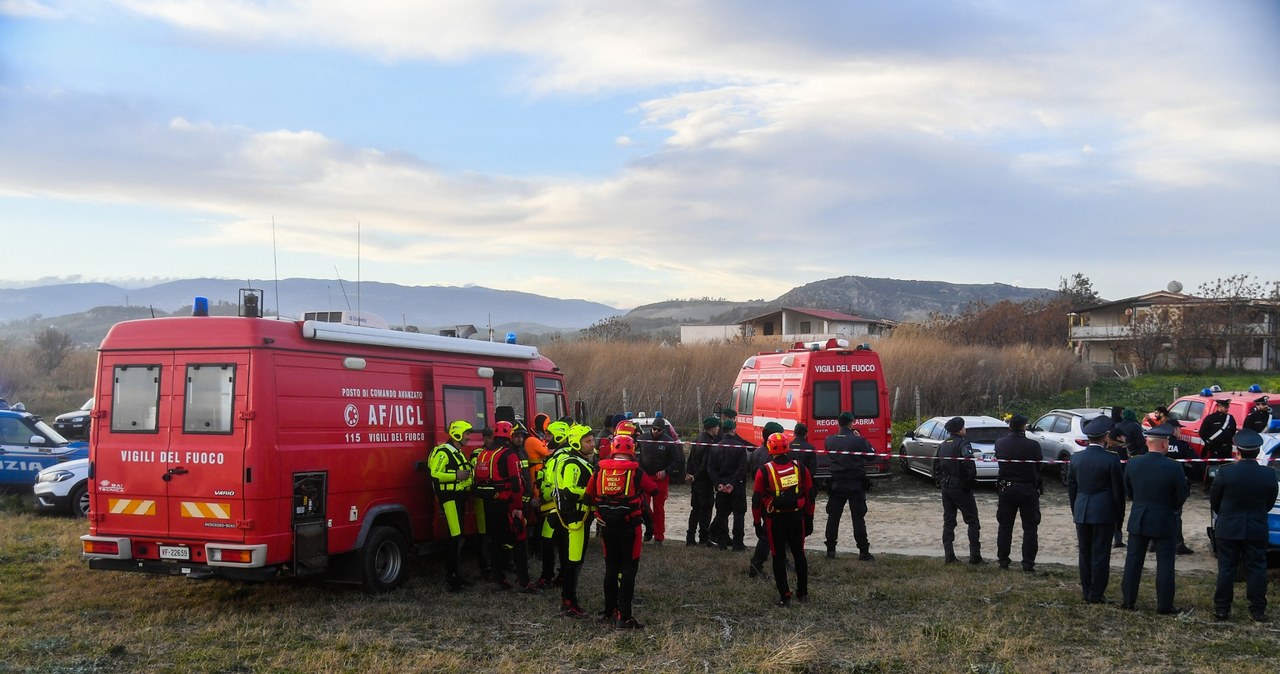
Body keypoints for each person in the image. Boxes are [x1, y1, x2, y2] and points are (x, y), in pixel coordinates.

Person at [585, 434, 658, 629]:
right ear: (631, 451)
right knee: (628, 569)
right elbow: (654, 490)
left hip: (607, 528)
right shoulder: (636, 471)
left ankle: (609, 612)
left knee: (610, 568)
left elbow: (588, 496)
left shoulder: (600, 468)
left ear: (613, 449)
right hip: (630, 528)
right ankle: (624, 616)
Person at [1120, 424, 1190, 614]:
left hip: (1140, 517)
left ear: (1147, 442)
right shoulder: (1174, 467)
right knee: (1165, 563)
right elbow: (1181, 496)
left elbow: (1129, 491)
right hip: (1164, 518)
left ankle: (1128, 600)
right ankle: (1164, 605)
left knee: (1133, 562)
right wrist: (1171, 508)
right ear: (1164, 444)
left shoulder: (1133, 464)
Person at [1210, 429, 1278, 622]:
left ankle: (1222, 608)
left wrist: (1226, 514)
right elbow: (1269, 503)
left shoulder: (1225, 472)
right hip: (1255, 527)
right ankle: (1257, 610)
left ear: (1237, 452)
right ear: (1257, 453)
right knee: (1256, 568)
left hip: (1229, 526)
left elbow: (1215, 501)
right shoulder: (1268, 474)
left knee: (1226, 569)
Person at [471, 421, 537, 593]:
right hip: (507, 504)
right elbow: (515, 484)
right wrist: (518, 507)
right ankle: (524, 581)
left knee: (496, 540)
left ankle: (498, 577)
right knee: (520, 540)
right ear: (509, 435)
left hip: (489, 502)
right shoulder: (509, 455)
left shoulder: (483, 454)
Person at [1067, 415, 1125, 604]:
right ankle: (1096, 593)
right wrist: (1119, 516)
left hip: (1082, 510)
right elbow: (1118, 491)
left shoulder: (1076, 458)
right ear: (1105, 437)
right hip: (1103, 512)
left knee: (1084, 553)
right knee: (1100, 554)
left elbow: (1072, 488)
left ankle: (1087, 590)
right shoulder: (1111, 459)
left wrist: (1076, 510)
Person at [753, 432, 815, 607]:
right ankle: (802, 593)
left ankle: (785, 597)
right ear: (787, 447)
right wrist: (809, 519)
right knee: (799, 555)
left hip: (775, 520)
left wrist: (757, 523)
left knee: (778, 557)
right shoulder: (800, 468)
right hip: (796, 517)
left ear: (769, 448)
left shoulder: (764, 471)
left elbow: (756, 500)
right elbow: (810, 496)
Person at [554, 424, 598, 618]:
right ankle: (569, 601)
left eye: (592, 440)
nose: (592, 444)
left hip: (583, 518)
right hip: (574, 520)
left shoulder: (583, 461)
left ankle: (570, 598)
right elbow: (569, 491)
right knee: (573, 561)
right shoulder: (572, 463)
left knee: (576, 560)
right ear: (575, 442)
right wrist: (593, 494)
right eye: (587, 441)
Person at [428, 419, 477, 592]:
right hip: (450, 499)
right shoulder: (444, 452)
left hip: (460, 498)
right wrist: (456, 475)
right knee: (455, 537)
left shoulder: (457, 452)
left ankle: (456, 575)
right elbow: (435, 473)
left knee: (459, 537)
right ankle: (452, 578)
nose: (469, 437)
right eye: (467, 434)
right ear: (457, 434)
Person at [993, 414, 1042, 572]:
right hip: (1028, 488)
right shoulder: (1033, 445)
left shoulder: (1000, 443)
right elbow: (1039, 467)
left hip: (1006, 487)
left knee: (1005, 527)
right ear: (1024, 426)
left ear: (1009, 426)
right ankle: (1028, 563)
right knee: (1030, 528)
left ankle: (1003, 561)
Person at [823, 412, 874, 561]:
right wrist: (858, 438)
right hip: (855, 484)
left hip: (837, 484)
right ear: (851, 424)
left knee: (833, 518)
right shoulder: (858, 441)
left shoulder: (829, 440)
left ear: (838, 423)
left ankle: (830, 551)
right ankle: (863, 551)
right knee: (858, 518)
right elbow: (872, 456)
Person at [937, 416, 982, 564]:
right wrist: (970, 481)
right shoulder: (963, 443)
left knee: (949, 522)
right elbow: (969, 463)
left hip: (946, 486)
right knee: (973, 521)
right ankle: (975, 556)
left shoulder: (943, 444)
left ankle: (949, 556)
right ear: (959, 429)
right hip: (960, 486)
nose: (965, 429)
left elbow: (937, 466)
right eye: (964, 427)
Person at [638, 416, 685, 545]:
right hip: (645, 478)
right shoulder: (642, 439)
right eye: (653, 429)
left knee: (659, 508)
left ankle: (659, 536)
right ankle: (649, 529)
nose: (655, 432)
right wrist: (640, 472)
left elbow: (677, 460)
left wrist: (666, 471)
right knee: (643, 507)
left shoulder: (669, 442)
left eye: (658, 430)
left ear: (662, 430)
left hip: (661, 479)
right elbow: (637, 457)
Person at [749, 422, 786, 578]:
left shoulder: (755, 453)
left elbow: (753, 476)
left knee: (777, 533)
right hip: (773, 500)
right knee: (767, 535)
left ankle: (783, 561)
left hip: (763, 499)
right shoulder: (771, 456)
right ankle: (756, 566)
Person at [708, 417, 751, 551]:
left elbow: (711, 468)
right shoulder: (740, 447)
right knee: (739, 514)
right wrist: (732, 483)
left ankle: (722, 542)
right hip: (736, 485)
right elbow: (742, 468)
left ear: (722, 430)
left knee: (722, 514)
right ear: (733, 430)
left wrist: (718, 484)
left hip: (721, 485)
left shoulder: (716, 448)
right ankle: (738, 543)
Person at [685, 416, 720, 547]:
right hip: (704, 482)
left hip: (695, 482)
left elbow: (690, 460)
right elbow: (706, 466)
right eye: (717, 426)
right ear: (712, 428)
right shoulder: (709, 444)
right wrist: (696, 476)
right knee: (706, 509)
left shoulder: (697, 440)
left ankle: (690, 537)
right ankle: (704, 538)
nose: (718, 429)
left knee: (695, 510)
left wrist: (689, 474)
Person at [1164, 418, 1196, 555]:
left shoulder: (1159, 444)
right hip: (1177, 484)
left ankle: (1153, 543)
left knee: (1159, 512)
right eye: (1178, 428)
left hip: (1159, 483)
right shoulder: (1182, 445)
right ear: (1173, 429)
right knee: (1176, 515)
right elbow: (1195, 460)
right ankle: (1178, 544)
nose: (1180, 430)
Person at [1199, 398, 1237, 491]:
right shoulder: (1210, 418)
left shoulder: (1230, 418)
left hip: (1226, 447)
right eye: (1225, 407)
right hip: (1214, 448)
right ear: (1219, 407)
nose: (1227, 409)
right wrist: (1208, 442)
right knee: (1213, 468)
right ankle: (1210, 486)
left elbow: (1232, 431)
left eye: (1228, 407)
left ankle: (1226, 486)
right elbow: (1202, 432)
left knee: (1227, 468)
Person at [1102, 424, 1129, 548]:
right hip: (1118, 486)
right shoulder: (1121, 451)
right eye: (1123, 436)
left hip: (1105, 486)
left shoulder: (1105, 450)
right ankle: (1117, 538)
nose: (1125, 438)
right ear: (1118, 437)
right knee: (1119, 513)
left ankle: (1113, 536)